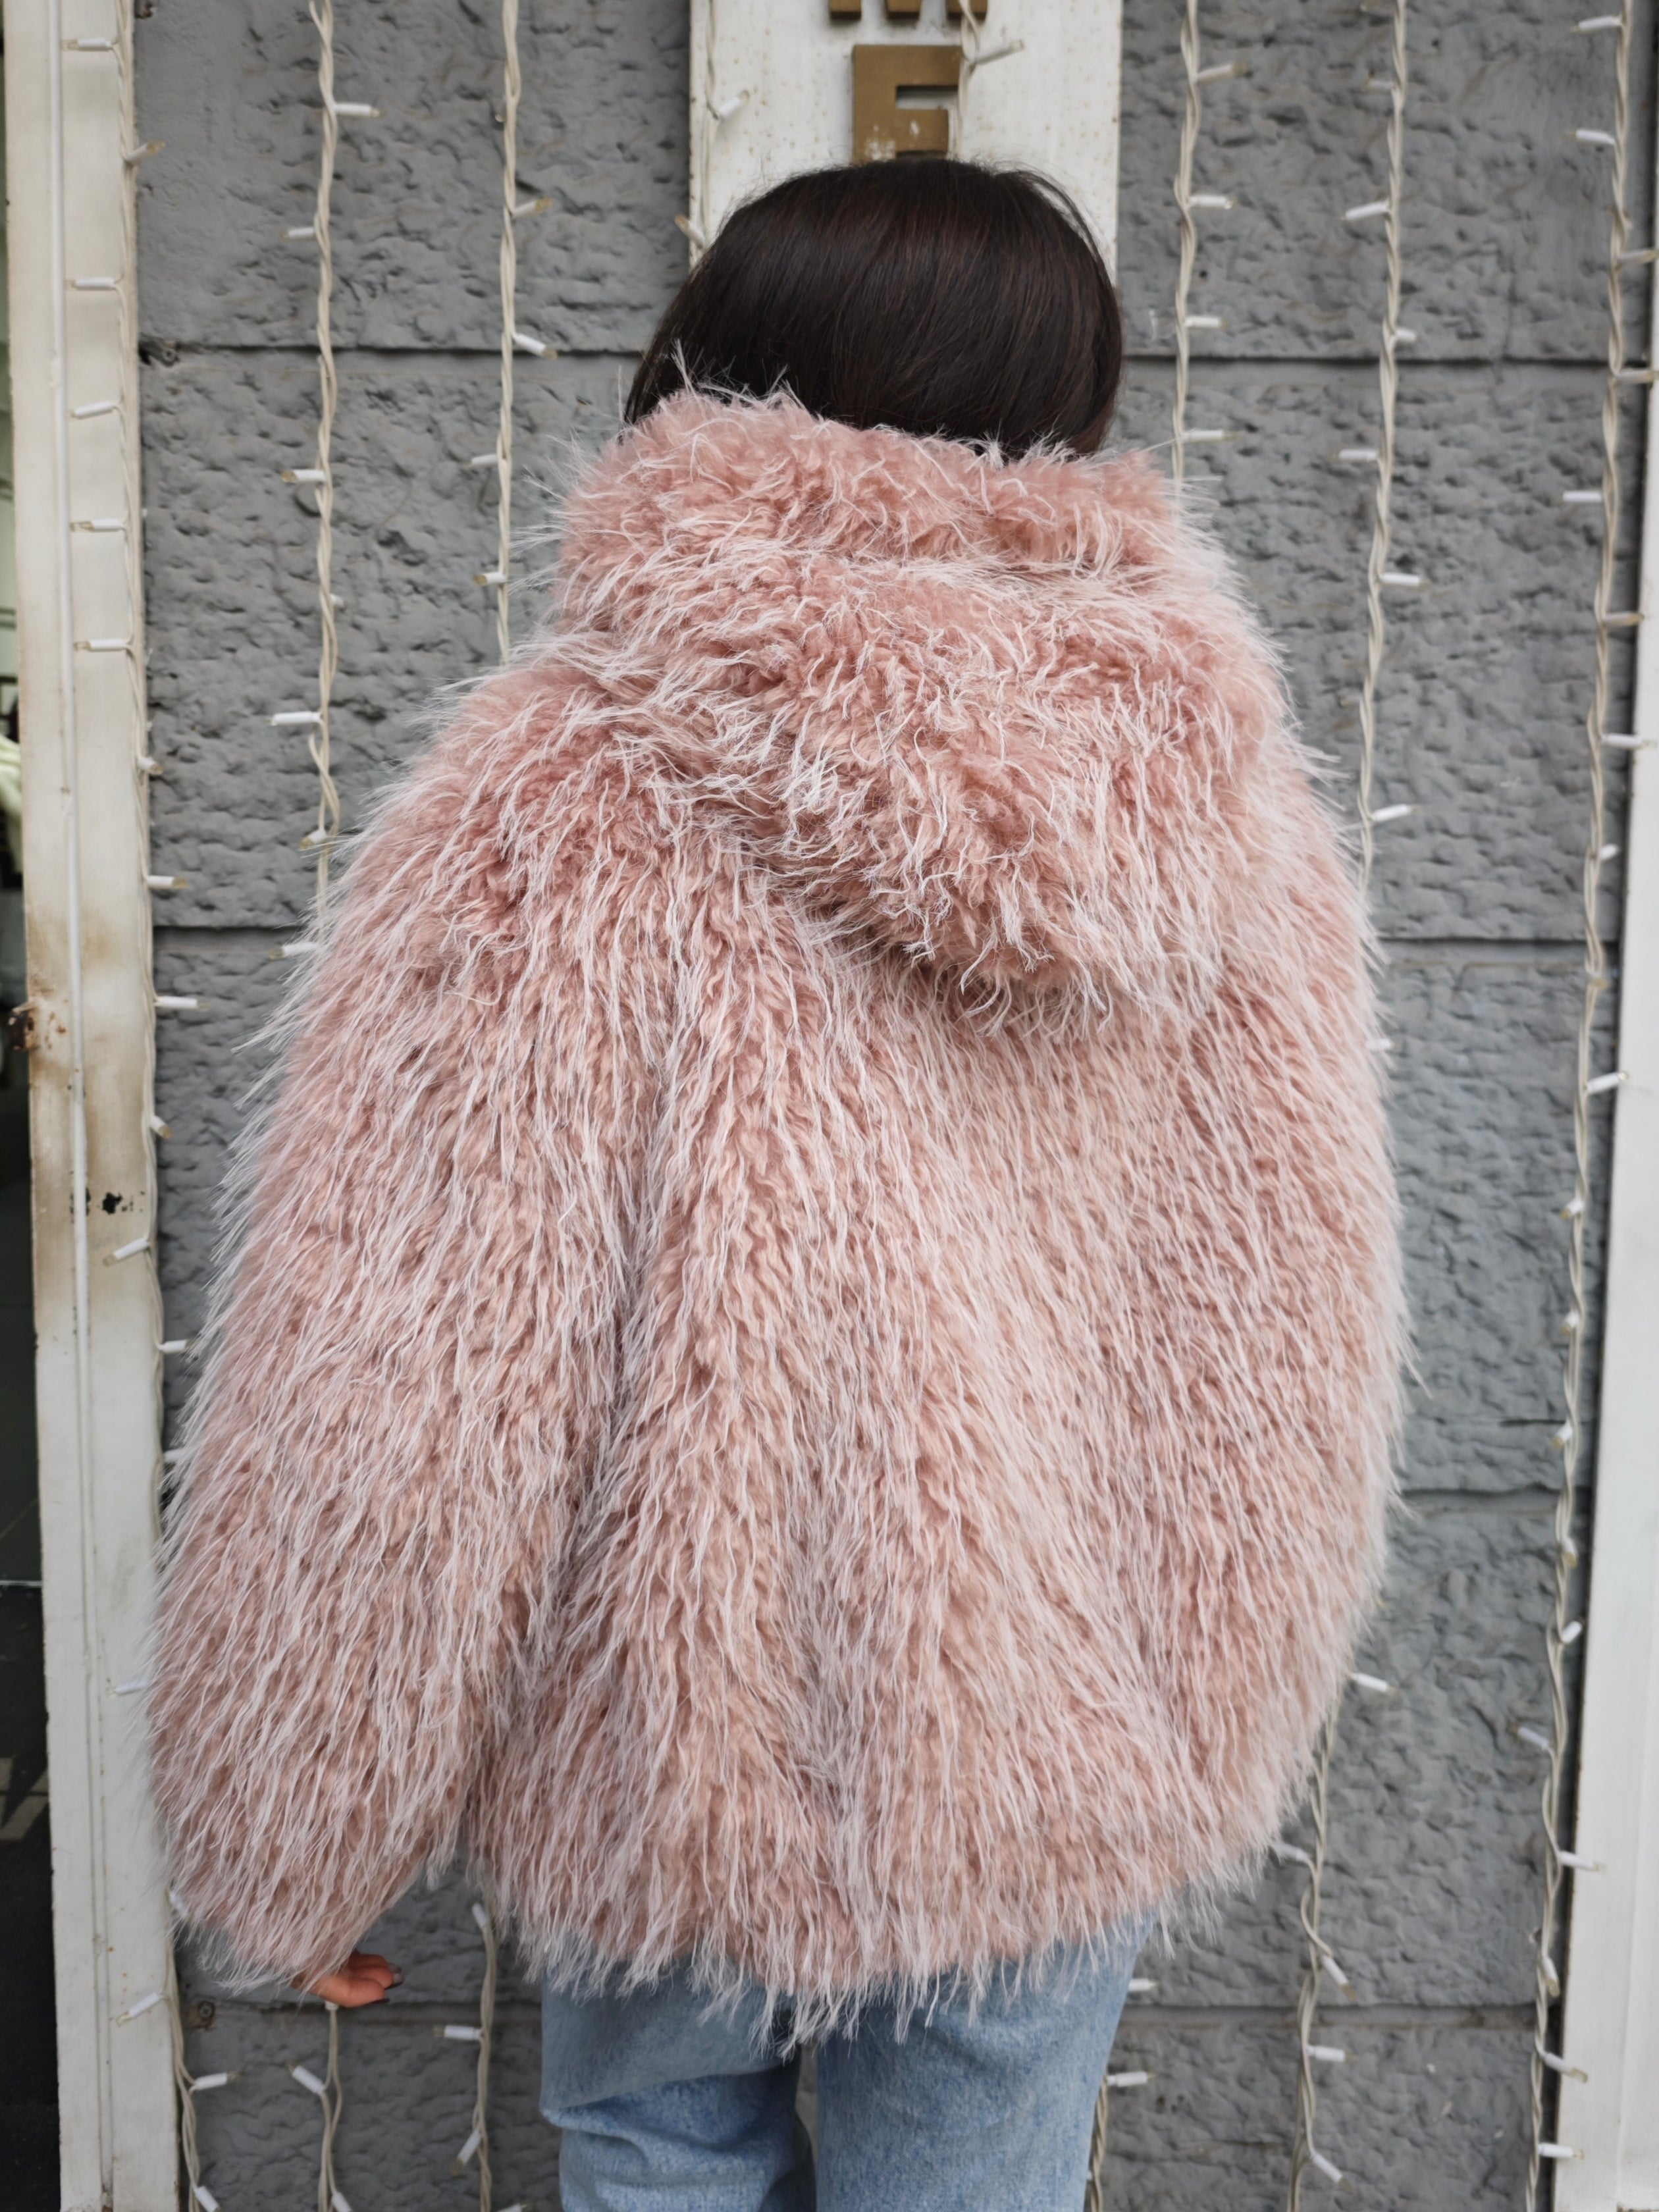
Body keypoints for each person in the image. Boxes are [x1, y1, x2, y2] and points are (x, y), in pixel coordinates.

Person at [148, 159, 1401, 2209]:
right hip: (1062, 1748)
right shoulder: (1223, 803)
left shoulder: (566, 784)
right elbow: (1287, 1326)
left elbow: (407, 1360)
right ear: (1069, 407)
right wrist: (1197, 1710)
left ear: (717, 369)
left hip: (679, 1745)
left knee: (660, 2157)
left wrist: (301, 1825)